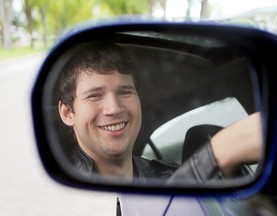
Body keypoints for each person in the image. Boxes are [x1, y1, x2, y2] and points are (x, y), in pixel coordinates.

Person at [58, 43, 262, 184]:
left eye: (125, 92)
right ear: (68, 113)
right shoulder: (59, 192)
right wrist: (218, 153)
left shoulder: (170, 174)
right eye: (94, 96)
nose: (114, 108)